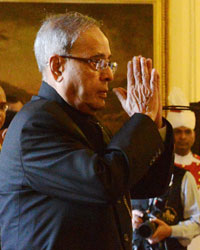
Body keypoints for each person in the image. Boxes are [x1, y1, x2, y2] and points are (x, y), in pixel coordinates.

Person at [0, 12, 174, 250]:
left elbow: (144, 185)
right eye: (97, 62)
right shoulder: (36, 124)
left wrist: (153, 124)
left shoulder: (84, 121)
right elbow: (104, 183)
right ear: (57, 66)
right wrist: (141, 120)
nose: (109, 75)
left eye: (109, 63)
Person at [131, 166, 200, 250]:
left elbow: (197, 223)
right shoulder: (134, 175)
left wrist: (170, 231)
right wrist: (130, 218)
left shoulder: (183, 177)